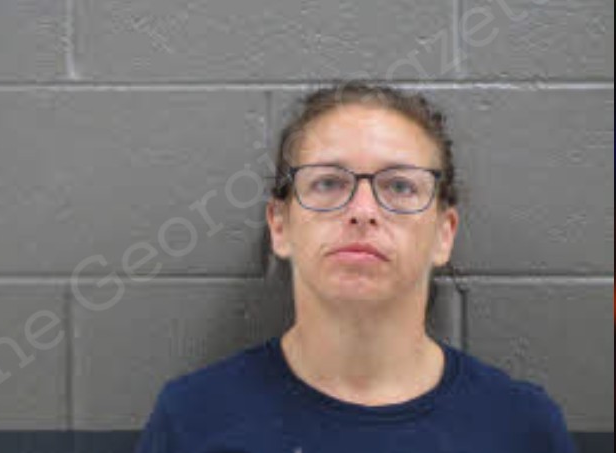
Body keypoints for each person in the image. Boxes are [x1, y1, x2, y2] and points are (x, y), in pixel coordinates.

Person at [135, 83, 576, 453]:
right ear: (280, 225)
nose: (363, 211)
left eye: (399, 186)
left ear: (444, 232)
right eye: (328, 182)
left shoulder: (523, 428)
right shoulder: (192, 420)